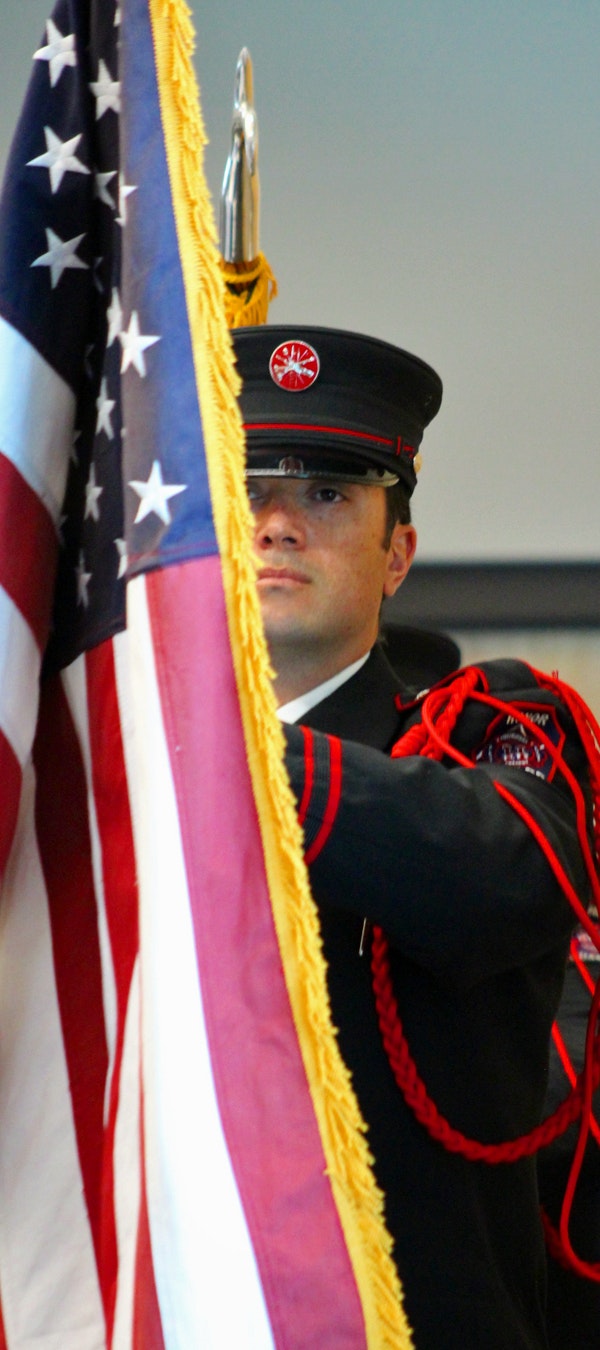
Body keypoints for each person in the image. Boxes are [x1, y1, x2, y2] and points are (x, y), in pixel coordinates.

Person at [233, 324, 596, 1350]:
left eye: (328, 494)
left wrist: (229, 751)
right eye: (245, 486)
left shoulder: (500, 727)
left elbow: (497, 881)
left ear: (399, 555)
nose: (274, 524)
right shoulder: (107, 771)